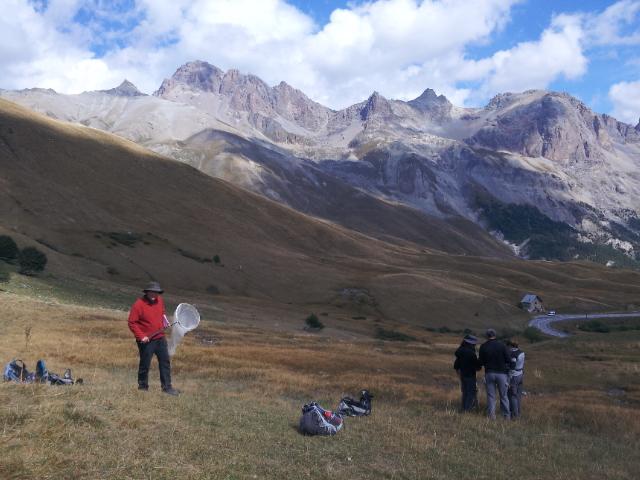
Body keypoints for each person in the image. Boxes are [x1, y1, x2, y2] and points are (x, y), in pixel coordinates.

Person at [128, 281, 179, 395]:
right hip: (146, 340)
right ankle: (142, 388)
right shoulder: (138, 304)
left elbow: (162, 313)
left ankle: (167, 388)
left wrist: (165, 322)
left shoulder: (160, 301)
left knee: (165, 362)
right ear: (147, 292)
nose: (154, 294)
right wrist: (141, 336)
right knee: (145, 364)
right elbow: (132, 323)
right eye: (152, 292)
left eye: (156, 292)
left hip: (160, 338)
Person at [478, 328, 511, 419]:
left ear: (487, 336)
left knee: (491, 396)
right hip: (502, 374)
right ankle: (506, 416)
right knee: (504, 396)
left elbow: (480, 362)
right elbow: (508, 359)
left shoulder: (483, 346)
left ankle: (491, 416)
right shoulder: (502, 345)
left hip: (489, 373)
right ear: (495, 335)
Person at [453, 334, 481, 412]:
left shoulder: (460, 351)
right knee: (471, 393)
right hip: (470, 375)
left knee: (465, 393)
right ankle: (467, 410)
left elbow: (456, 365)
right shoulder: (471, 353)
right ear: (471, 343)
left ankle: (463, 409)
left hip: (462, 375)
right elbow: (477, 366)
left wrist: (459, 373)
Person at [506, 340, 525, 419]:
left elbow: (513, 366)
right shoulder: (522, 352)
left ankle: (515, 416)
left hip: (514, 375)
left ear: (511, 346)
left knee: (512, 396)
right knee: (518, 396)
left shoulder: (512, 354)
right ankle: (518, 413)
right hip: (520, 373)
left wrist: (509, 379)